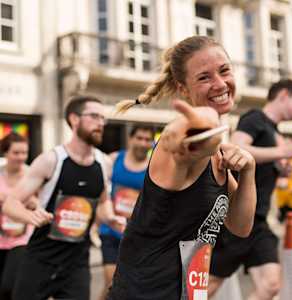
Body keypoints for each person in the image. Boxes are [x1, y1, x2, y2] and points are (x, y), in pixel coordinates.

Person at [107, 35, 256, 300]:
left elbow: (241, 226)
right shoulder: (182, 137)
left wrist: (249, 170)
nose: (220, 83)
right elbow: (184, 134)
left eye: (224, 71)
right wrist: (206, 125)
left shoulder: (218, 153)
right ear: (183, 89)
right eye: (204, 77)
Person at [2, 95, 126, 300]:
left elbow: (103, 201)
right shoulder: (51, 160)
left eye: (103, 118)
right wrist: (29, 216)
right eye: (94, 116)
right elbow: (10, 203)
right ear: (74, 119)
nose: (100, 123)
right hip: (41, 259)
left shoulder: (104, 163)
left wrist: (111, 218)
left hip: (77, 264)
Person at [209, 79, 292, 300]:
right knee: (208, 285)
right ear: (283, 95)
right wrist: (283, 152)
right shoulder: (255, 118)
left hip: (259, 221)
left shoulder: (274, 131)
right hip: (235, 219)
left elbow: (258, 162)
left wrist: (281, 169)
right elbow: (236, 149)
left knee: (271, 285)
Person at [98, 125, 155, 300]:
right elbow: (100, 193)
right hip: (110, 231)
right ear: (131, 139)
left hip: (136, 235)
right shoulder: (114, 159)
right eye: (139, 138)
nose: (143, 143)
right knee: (111, 284)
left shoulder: (154, 166)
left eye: (147, 139)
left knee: (129, 287)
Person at [0, 133, 35, 299]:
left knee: (9, 285)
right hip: (1, 237)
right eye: (16, 152)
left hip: (23, 239)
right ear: (5, 152)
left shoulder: (32, 175)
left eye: (24, 153)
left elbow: (41, 203)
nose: (21, 157)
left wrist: (32, 203)